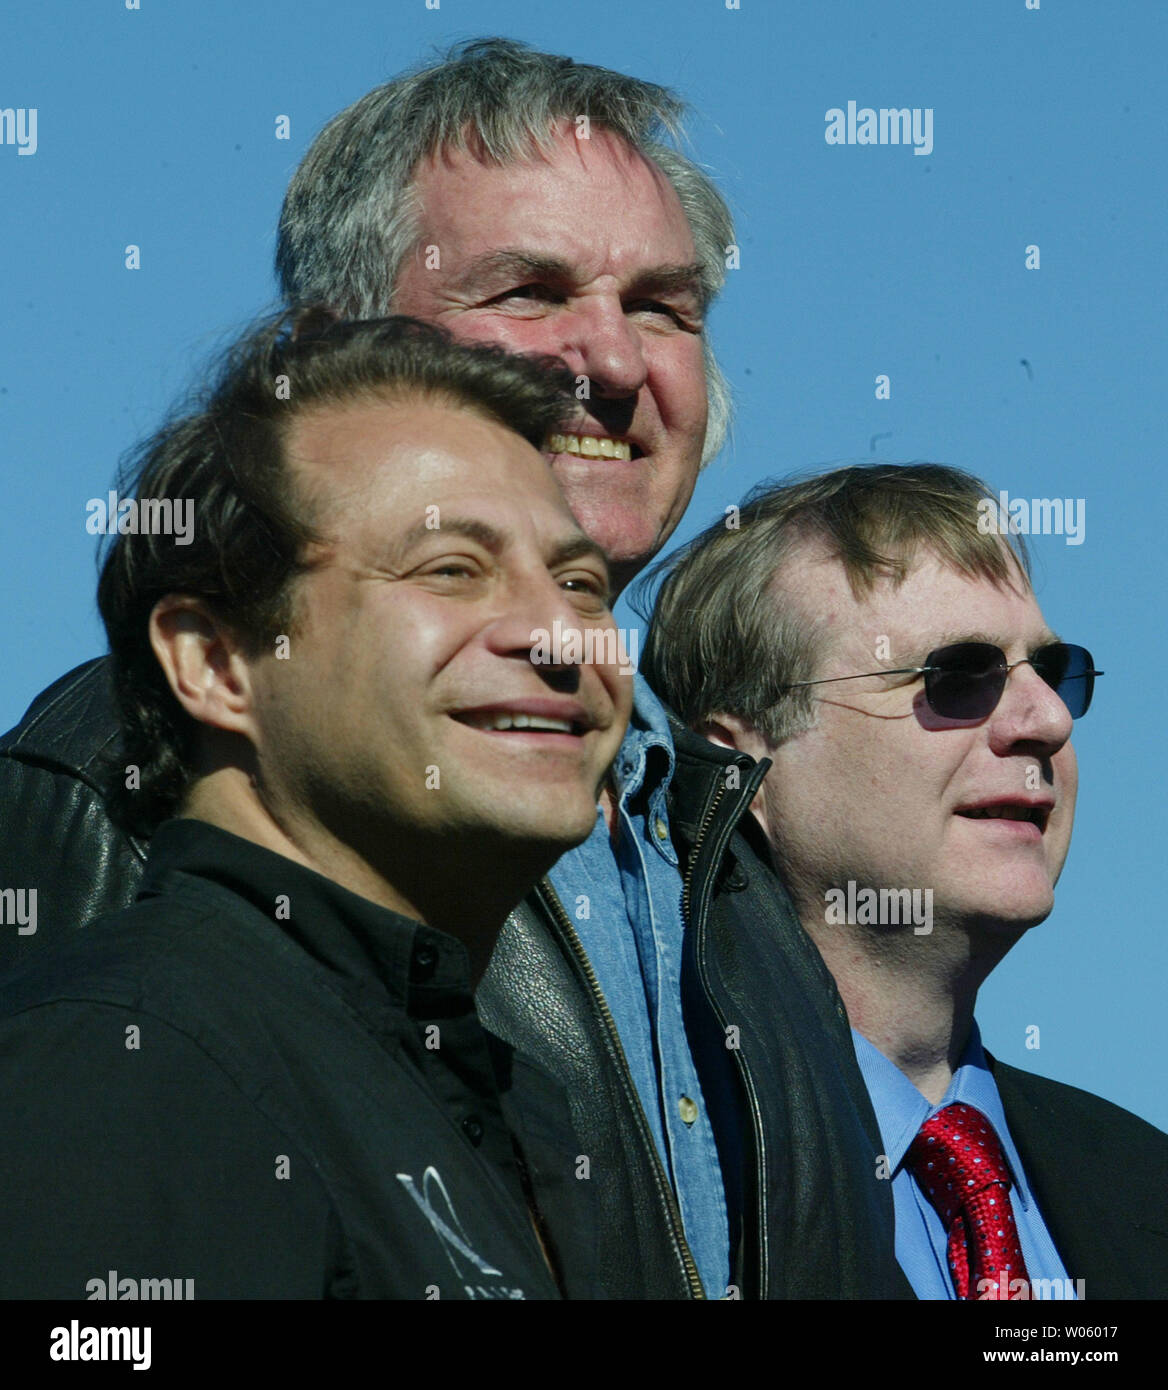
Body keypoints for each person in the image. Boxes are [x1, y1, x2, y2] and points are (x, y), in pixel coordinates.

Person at [0, 39, 903, 1298]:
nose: (615, 360)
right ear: (328, 348)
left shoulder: (734, 862)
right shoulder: (122, 773)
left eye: (662, 305)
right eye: (530, 291)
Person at [0, 311, 634, 1299]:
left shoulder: (506, 1103)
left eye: (581, 583)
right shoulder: (134, 1060)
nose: (561, 635)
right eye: (451, 570)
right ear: (215, 662)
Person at [642, 462, 1168, 1299]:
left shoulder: (1144, 1183)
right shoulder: (661, 1180)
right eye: (958, 677)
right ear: (744, 767)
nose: (1047, 720)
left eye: (1053, 669)